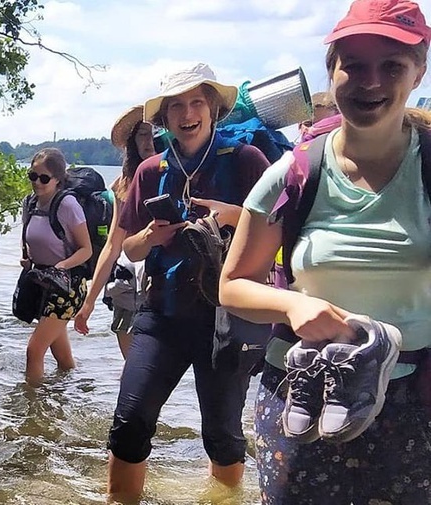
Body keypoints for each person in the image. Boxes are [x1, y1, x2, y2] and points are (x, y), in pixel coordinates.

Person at [219, 0, 431, 502]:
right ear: (331, 71)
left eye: (391, 66)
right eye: (353, 66)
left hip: (416, 396)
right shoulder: (294, 173)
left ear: (419, 71)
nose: (370, 82)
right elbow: (232, 284)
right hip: (302, 387)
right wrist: (295, 304)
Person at [106, 63, 270, 503]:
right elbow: (131, 250)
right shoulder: (150, 170)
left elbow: (278, 232)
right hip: (161, 313)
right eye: (176, 105)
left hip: (225, 319)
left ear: (213, 108)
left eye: (197, 102)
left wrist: (231, 214)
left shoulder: (246, 161)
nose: (187, 113)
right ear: (164, 118)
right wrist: (150, 236)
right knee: (130, 420)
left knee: (222, 434)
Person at [73, 105, 154, 358]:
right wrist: (89, 302)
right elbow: (113, 245)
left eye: (155, 133)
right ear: (132, 141)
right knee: (132, 372)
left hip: (163, 288)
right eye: (142, 134)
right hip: (126, 285)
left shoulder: (178, 175)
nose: (149, 141)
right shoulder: (123, 184)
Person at [20, 148, 92, 385]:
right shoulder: (29, 204)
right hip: (43, 282)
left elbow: (86, 250)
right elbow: (32, 238)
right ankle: (74, 394)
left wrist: (61, 266)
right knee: (62, 359)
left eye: (44, 178)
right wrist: (28, 259)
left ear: (58, 180)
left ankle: (32, 412)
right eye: (33, 176)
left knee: (34, 351)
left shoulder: (67, 205)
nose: (37, 183)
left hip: (67, 287)